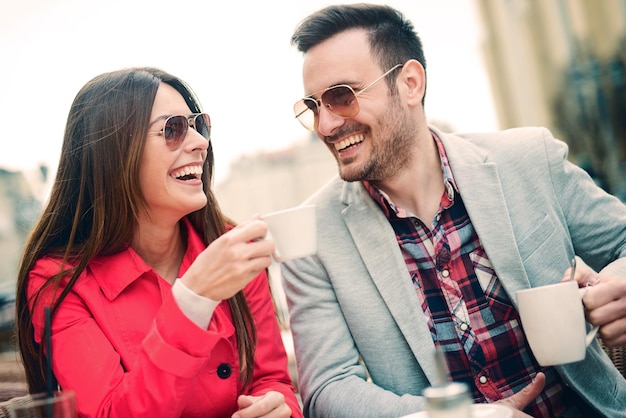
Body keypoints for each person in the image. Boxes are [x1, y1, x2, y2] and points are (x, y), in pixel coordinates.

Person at [281, 4, 626, 418]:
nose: (325, 125)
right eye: (314, 106)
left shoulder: (531, 159)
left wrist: (620, 282)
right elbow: (327, 389)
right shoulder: (312, 235)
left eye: (341, 97)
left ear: (410, 83)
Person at [15, 67, 303, 418]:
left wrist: (280, 406)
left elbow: (271, 380)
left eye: (198, 125)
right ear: (114, 153)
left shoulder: (230, 246)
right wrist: (192, 300)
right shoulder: (59, 280)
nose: (200, 142)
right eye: (173, 129)